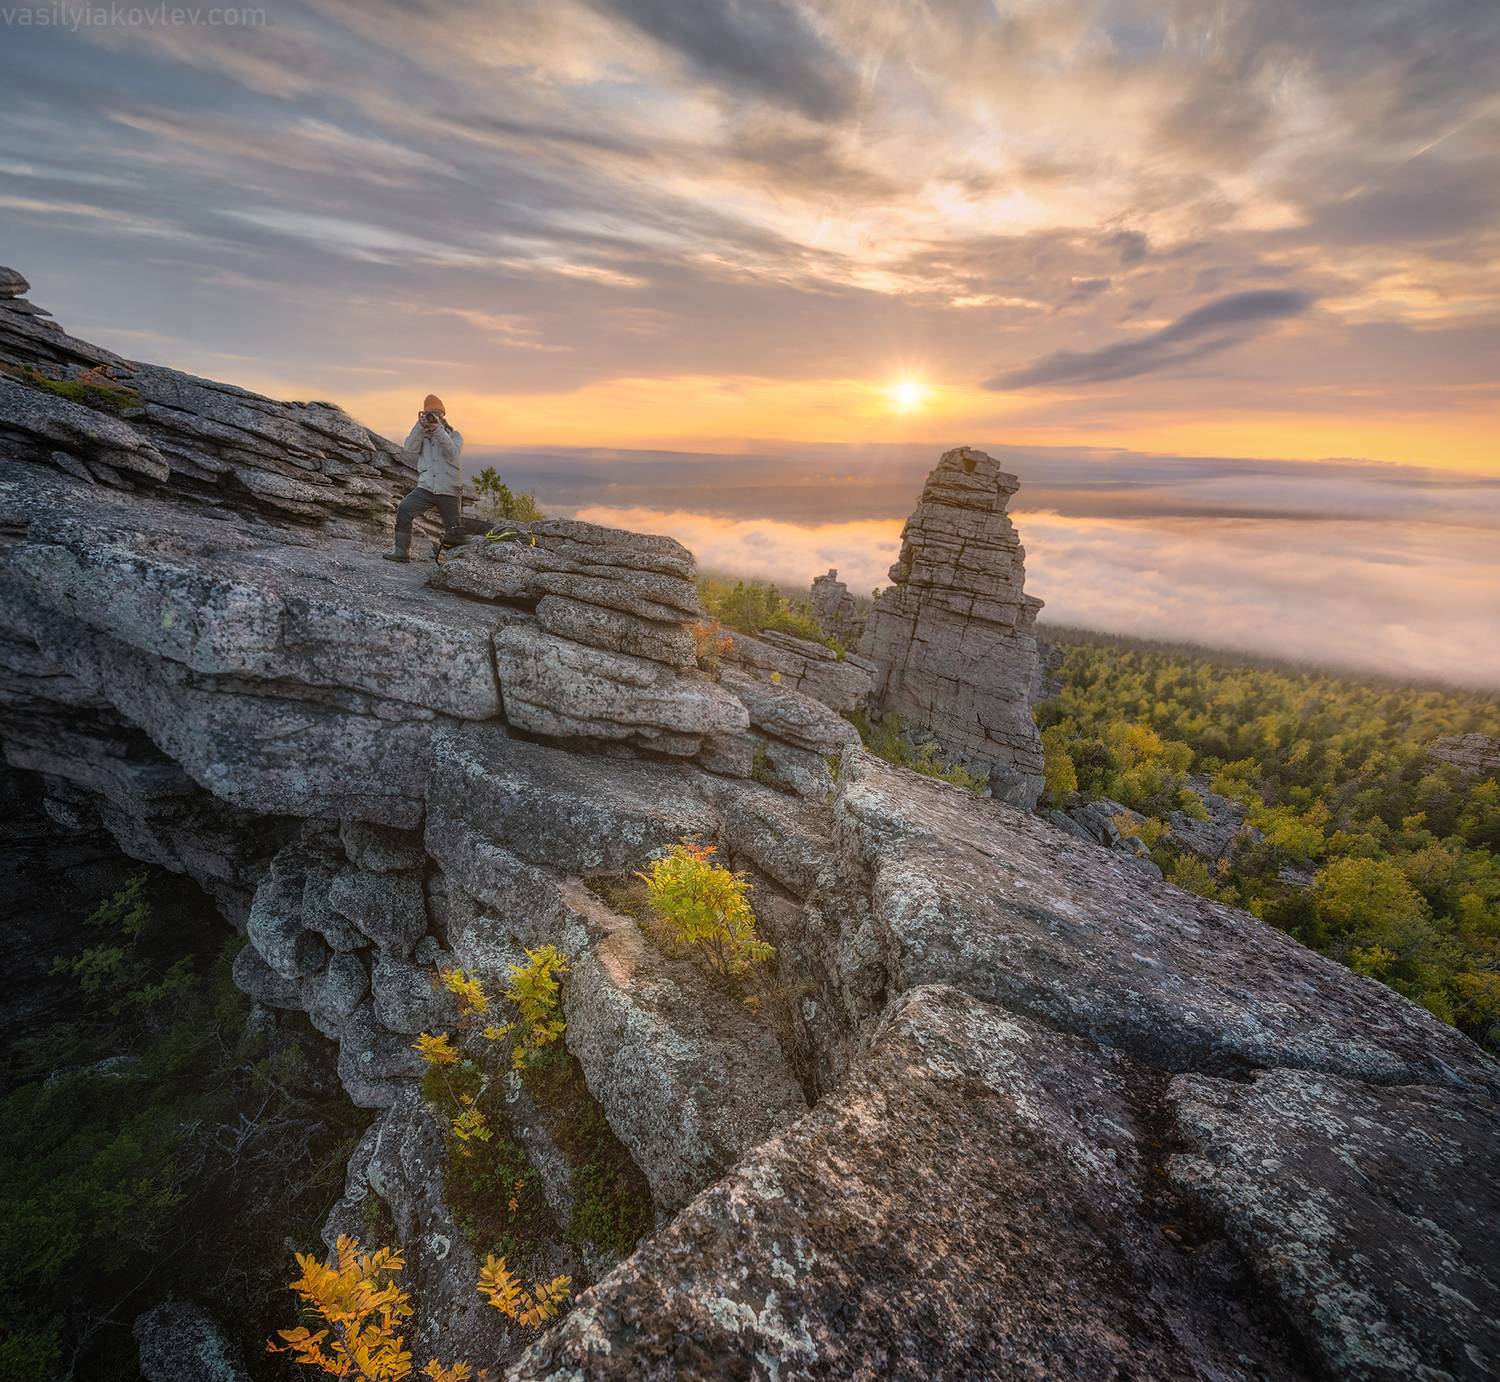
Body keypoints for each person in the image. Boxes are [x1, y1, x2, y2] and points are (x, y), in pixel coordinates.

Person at [384, 393, 464, 562]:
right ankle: (401, 552)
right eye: (429, 412)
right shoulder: (421, 433)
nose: (433, 415)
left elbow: (453, 454)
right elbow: (409, 449)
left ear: (443, 414)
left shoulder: (454, 435)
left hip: (449, 488)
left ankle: (458, 563)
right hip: (426, 487)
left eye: (436, 412)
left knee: (454, 528)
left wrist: (438, 430)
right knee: (405, 509)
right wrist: (419, 427)